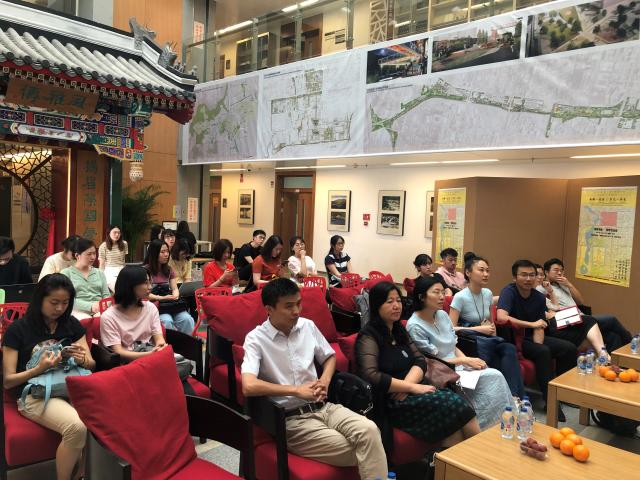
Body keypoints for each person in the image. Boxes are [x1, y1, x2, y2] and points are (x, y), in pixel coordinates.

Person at [241, 279, 388, 480]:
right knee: (362, 448)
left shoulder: (307, 326)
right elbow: (249, 386)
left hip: (324, 407)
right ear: (269, 309)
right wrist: (296, 390)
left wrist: (325, 380)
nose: (296, 311)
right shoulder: (256, 339)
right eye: (288, 306)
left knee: (371, 430)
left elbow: (329, 356)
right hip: (292, 420)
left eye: (299, 303)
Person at [356, 281, 480, 452]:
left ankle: (453, 463)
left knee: (456, 424)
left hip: (411, 391)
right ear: (377, 305)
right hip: (391, 401)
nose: (396, 306)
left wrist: (409, 386)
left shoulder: (399, 330)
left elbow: (420, 360)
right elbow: (371, 376)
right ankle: (481, 457)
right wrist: (411, 388)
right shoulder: (368, 337)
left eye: (398, 300)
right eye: (389, 301)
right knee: (454, 403)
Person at [2, 273, 95, 480]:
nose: (60, 308)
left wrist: (81, 359)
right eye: (54, 302)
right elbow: (8, 381)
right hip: (33, 394)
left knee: (100, 418)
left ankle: (82, 474)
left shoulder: (70, 324)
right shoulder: (18, 330)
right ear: (40, 299)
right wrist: (38, 369)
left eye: (65, 303)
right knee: (76, 427)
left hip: (70, 387)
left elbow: (91, 364)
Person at [407, 276, 514, 429]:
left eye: (443, 292)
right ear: (421, 297)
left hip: (458, 366)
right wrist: (465, 361)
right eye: (436, 292)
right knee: (493, 376)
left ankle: (502, 421)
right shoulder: (415, 326)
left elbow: (453, 345)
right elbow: (430, 360)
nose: (442, 296)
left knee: (493, 376)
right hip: (440, 372)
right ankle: (484, 425)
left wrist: (468, 361)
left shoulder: (442, 315)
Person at [497, 260, 577, 422]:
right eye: (523, 275)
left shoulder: (539, 297)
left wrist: (537, 345)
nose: (528, 279)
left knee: (568, 348)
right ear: (515, 277)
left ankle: (563, 394)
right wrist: (531, 325)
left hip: (532, 338)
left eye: (531, 275)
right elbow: (501, 317)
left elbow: (540, 326)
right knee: (543, 352)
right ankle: (551, 402)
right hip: (514, 339)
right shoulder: (509, 291)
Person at [448, 254, 525, 398]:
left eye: (487, 270)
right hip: (470, 343)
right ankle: (516, 398)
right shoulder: (460, 297)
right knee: (500, 361)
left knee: (509, 348)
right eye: (481, 270)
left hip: (487, 340)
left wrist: (494, 338)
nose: (485, 274)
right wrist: (477, 329)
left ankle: (514, 397)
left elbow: (491, 323)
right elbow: (450, 329)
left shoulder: (488, 293)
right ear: (468, 273)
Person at [539, 258, 631, 352]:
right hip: (565, 319)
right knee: (611, 319)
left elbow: (580, 301)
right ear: (546, 272)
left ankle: (612, 360)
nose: (559, 273)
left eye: (561, 270)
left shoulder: (563, 284)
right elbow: (550, 309)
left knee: (613, 336)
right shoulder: (541, 288)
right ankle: (631, 343)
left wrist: (569, 285)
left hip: (580, 315)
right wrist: (549, 291)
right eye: (556, 270)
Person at [100, 265, 166, 362]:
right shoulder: (108, 317)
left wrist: (161, 347)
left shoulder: (150, 308)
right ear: (130, 285)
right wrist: (150, 355)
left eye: (150, 282)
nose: (150, 287)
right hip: (128, 362)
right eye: (145, 283)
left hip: (151, 353)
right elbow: (118, 352)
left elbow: (159, 338)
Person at [144, 239, 195, 334]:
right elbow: (145, 295)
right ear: (154, 253)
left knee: (187, 319)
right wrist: (162, 298)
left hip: (169, 303)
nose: (166, 254)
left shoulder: (169, 270)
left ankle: (187, 342)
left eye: (167, 251)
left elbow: (174, 288)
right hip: (154, 305)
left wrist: (175, 295)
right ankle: (170, 343)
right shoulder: (145, 271)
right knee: (166, 320)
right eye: (162, 252)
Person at [61, 238, 110, 319]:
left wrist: (102, 306)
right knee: (85, 320)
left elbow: (106, 295)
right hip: (78, 311)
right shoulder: (66, 273)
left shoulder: (99, 273)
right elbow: (67, 299)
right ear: (77, 255)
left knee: (104, 318)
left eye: (94, 253)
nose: (93, 257)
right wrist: (90, 306)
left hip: (99, 309)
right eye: (89, 254)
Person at [98, 225, 128, 291]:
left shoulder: (124, 243)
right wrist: (100, 277)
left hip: (122, 269)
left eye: (119, 233)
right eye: (115, 232)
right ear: (109, 233)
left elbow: (123, 260)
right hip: (109, 271)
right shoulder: (103, 246)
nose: (117, 235)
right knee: (118, 289)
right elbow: (102, 264)